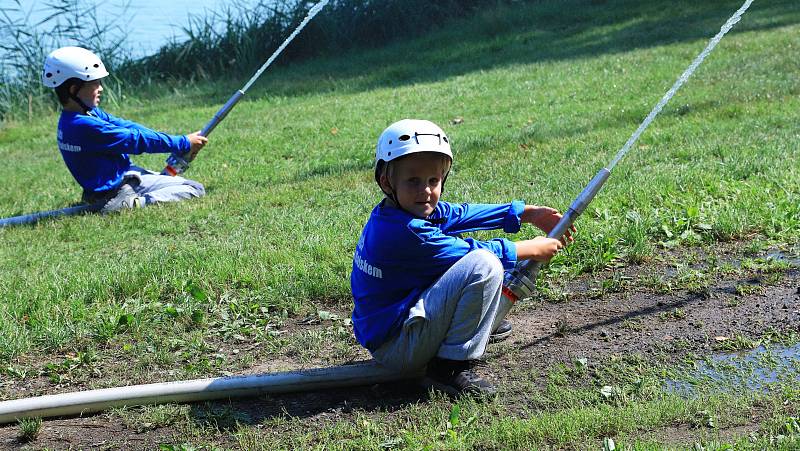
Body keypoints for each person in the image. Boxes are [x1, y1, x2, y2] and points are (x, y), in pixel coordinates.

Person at [351, 119, 574, 396]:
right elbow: (478, 254)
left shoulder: (396, 212)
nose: (426, 191)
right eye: (413, 181)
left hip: (394, 330)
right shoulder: (406, 232)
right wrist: (534, 248)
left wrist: (527, 212)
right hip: (399, 349)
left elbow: (461, 213)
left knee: (481, 263)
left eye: (434, 181)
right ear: (387, 182)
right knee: (484, 264)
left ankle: (466, 328)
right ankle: (449, 368)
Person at [42, 46, 207, 212]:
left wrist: (180, 142)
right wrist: (183, 143)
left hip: (107, 183)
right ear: (73, 89)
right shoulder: (85, 126)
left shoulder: (77, 118)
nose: (101, 88)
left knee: (162, 179)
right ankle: (128, 203)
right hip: (117, 188)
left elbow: (128, 127)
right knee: (194, 188)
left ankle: (105, 198)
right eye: (94, 83)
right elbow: (135, 140)